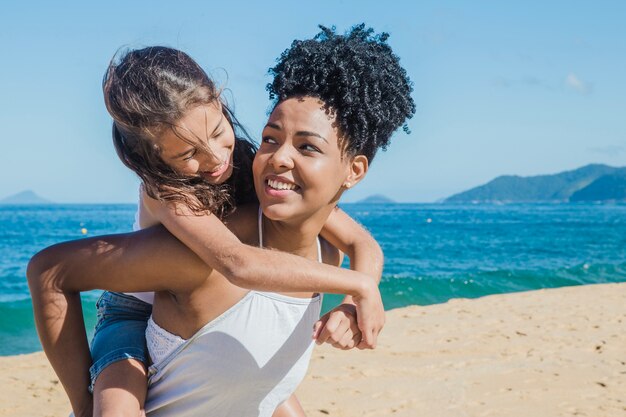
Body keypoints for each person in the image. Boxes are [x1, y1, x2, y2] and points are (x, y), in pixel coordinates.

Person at [27, 45, 386, 417]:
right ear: (153, 159)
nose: (215, 158)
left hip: (209, 317)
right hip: (132, 315)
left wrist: (352, 303)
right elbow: (235, 262)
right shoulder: (167, 193)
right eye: (188, 155)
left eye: (218, 132)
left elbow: (361, 242)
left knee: (268, 389)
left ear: (219, 102)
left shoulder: (249, 163)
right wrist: (355, 285)